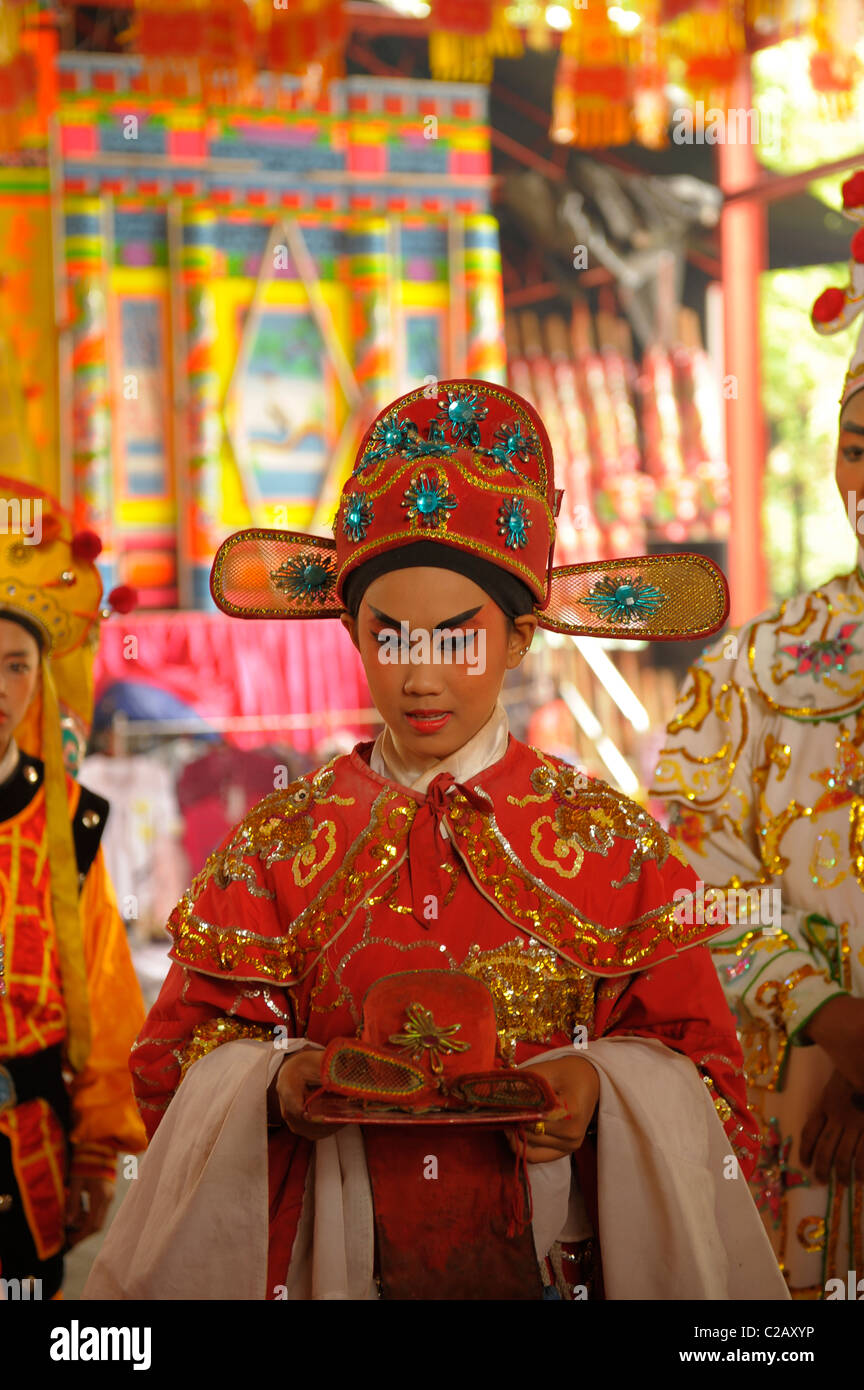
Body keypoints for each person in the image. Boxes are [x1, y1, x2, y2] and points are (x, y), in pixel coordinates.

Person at [86, 381, 787, 1301]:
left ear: (520, 637)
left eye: (458, 641)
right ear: (350, 631)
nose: (421, 678)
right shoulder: (273, 853)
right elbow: (173, 1065)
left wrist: (602, 1088)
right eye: (390, 639)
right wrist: (278, 1084)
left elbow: (716, 1085)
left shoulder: (617, 853)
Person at [651, 172, 864, 1298]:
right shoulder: (760, 664)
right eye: (860, 444)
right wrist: (828, 1017)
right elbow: (689, 858)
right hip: (802, 1124)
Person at [0, 478, 147, 1298]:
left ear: (39, 679)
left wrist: (101, 1147)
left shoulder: (71, 826)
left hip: (35, 1146)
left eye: (16, 664)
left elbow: (106, 992)